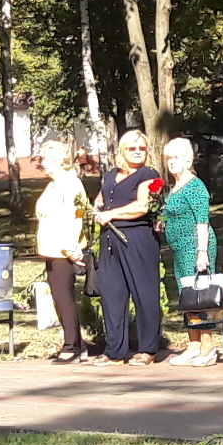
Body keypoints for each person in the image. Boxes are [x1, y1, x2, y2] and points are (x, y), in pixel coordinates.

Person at [93, 126, 167, 366]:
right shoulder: (111, 174)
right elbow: (102, 197)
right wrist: (98, 206)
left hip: (137, 238)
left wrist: (111, 214)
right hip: (110, 239)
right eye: (132, 148)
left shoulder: (149, 174)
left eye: (142, 148)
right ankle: (114, 350)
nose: (137, 151)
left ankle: (148, 349)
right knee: (112, 295)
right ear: (122, 151)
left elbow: (142, 206)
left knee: (144, 294)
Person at [159, 133, 220, 364]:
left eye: (176, 158)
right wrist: (162, 222)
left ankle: (208, 346)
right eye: (169, 158)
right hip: (179, 249)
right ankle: (193, 343)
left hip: (195, 247)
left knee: (201, 295)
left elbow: (202, 221)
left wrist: (202, 252)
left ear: (188, 160)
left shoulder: (195, 186)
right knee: (187, 296)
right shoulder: (176, 187)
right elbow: (173, 214)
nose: (172, 162)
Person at [33, 137, 93, 362]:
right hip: (51, 249)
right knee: (59, 297)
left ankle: (72, 346)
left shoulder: (69, 182)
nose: (42, 163)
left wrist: (70, 247)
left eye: (46, 158)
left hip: (64, 250)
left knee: (64, 297)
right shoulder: (54, 183)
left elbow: (76, 215)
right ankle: (77, 343)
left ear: (59, 159)